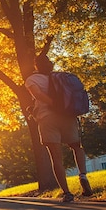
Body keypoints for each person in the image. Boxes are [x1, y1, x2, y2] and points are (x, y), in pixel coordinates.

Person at [25, 53, 93, 202]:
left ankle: (67, 193)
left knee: (56, 157)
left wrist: (52, 104)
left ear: (36, 66)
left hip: (47, 118)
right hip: (67, 115)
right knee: (76, 146)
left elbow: (37, 94)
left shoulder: (32, 79)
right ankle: (82, 175)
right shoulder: (60, 77)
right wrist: (62, 106)